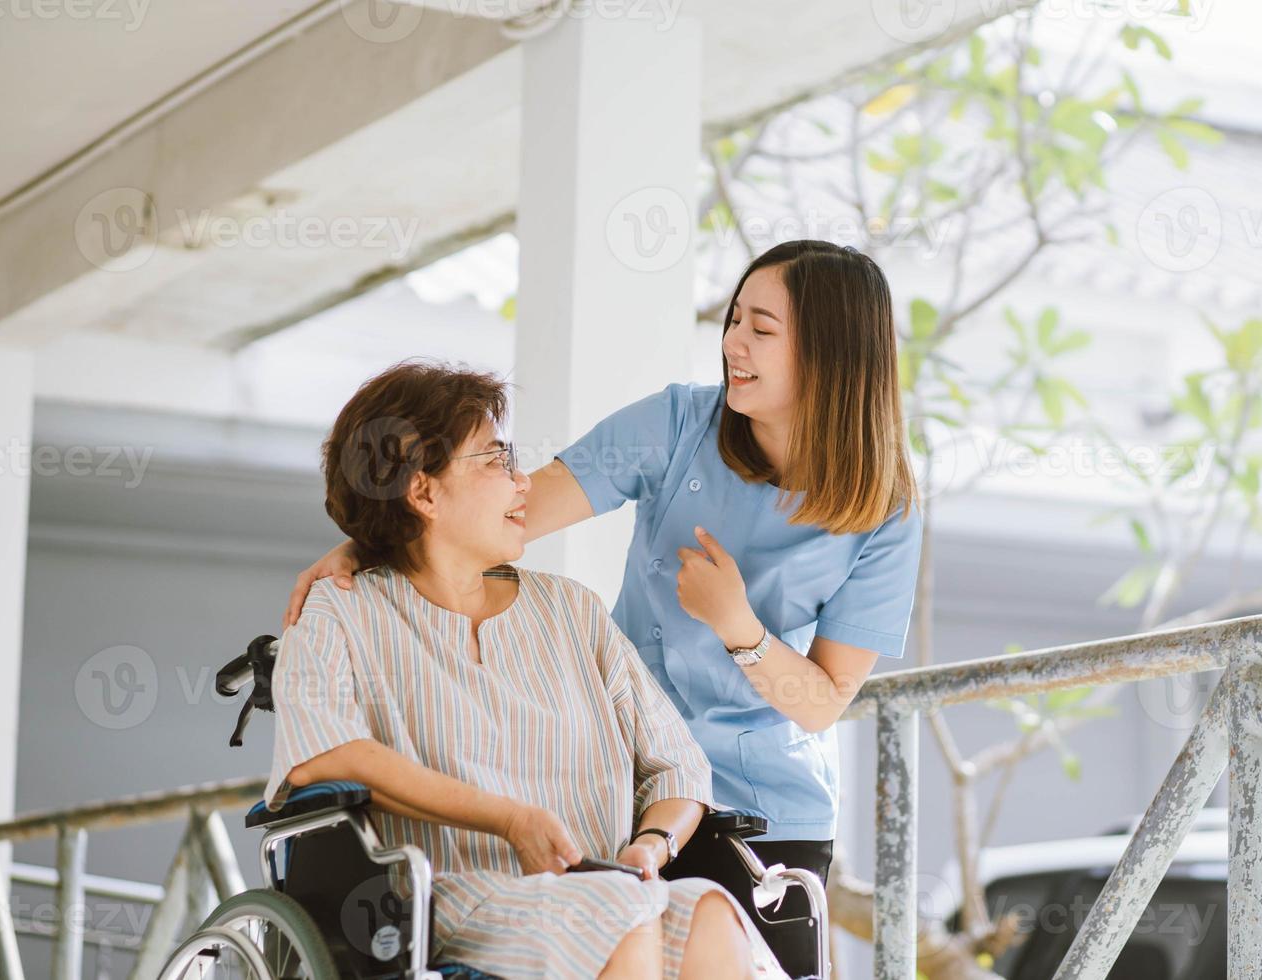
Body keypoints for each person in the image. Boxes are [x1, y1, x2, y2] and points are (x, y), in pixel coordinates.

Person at [284, 240, 923, 978]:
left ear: (831, 356)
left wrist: (736, 624)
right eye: (733, 319)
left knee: (724, 941)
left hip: (766, 803)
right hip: (626, 788)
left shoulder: (885, 510)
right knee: (623, 922)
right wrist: (372, 540)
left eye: (762, 330)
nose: (732, 344)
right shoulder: (679, 425)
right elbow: (498, 520)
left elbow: (820, 705)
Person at [267, 361, 785, 979]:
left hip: (607, 886)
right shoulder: (341, 610)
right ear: (423, 491)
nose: (522, 485)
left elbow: (678, 766)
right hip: (450, 897)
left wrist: (653, 845)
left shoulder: (570, 611)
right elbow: (327, 755)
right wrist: (509, 820)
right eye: (494, 461)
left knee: (706, 912)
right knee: (613, 913)